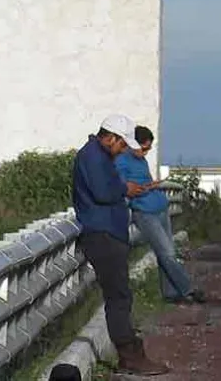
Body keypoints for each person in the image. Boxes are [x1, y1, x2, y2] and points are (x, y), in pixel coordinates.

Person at [72, 114, 170, 376]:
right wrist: (125, 189)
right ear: (111, 138)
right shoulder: (93, 158)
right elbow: (104, 193)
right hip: (102, 234)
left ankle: (132, 353)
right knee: (118, 297)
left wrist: (123, 187)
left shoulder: (99, 156)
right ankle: (130, 355)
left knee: (121, 295)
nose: (124, 149)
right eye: (122, 144)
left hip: (107, 232)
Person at [116, 125, 206, 305]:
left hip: (160, 207)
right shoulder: (121, 162)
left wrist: (152, 186)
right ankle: (187, 288)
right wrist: (145, 189)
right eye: (144, 148)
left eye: (149, 148)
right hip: (144, 212)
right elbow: (123, 188)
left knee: (165, 253)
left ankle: (171, 293)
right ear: (134, 144)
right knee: (168, 252)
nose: (146, 152)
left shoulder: (140, 161)